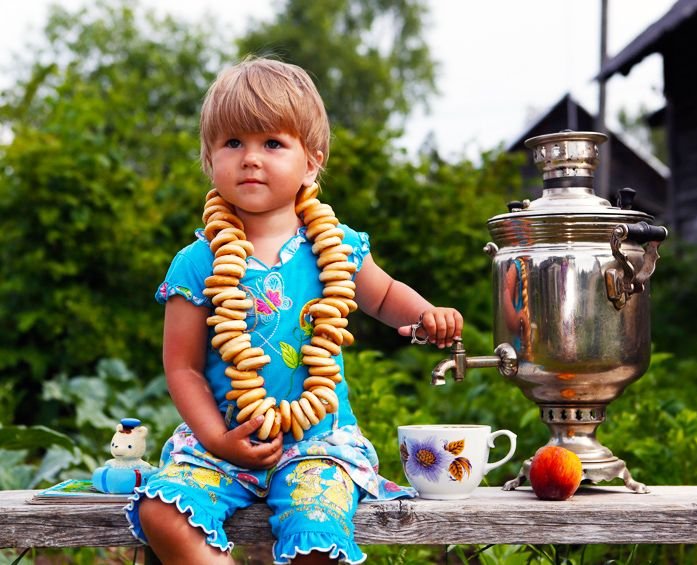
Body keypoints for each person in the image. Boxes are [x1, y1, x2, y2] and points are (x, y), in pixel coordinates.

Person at [124, 57, 463, 564]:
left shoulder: (337, 248)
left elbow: (386, 295)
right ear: (209, 158)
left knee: (317, 528)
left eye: (272, 143)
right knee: (161, 513)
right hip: (221, 445)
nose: (250, 159)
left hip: (317, 444)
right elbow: (183, 366)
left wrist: (426, 314)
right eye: (233, 143)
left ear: (311, 162)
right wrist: (219, 439)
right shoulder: (197, 262)